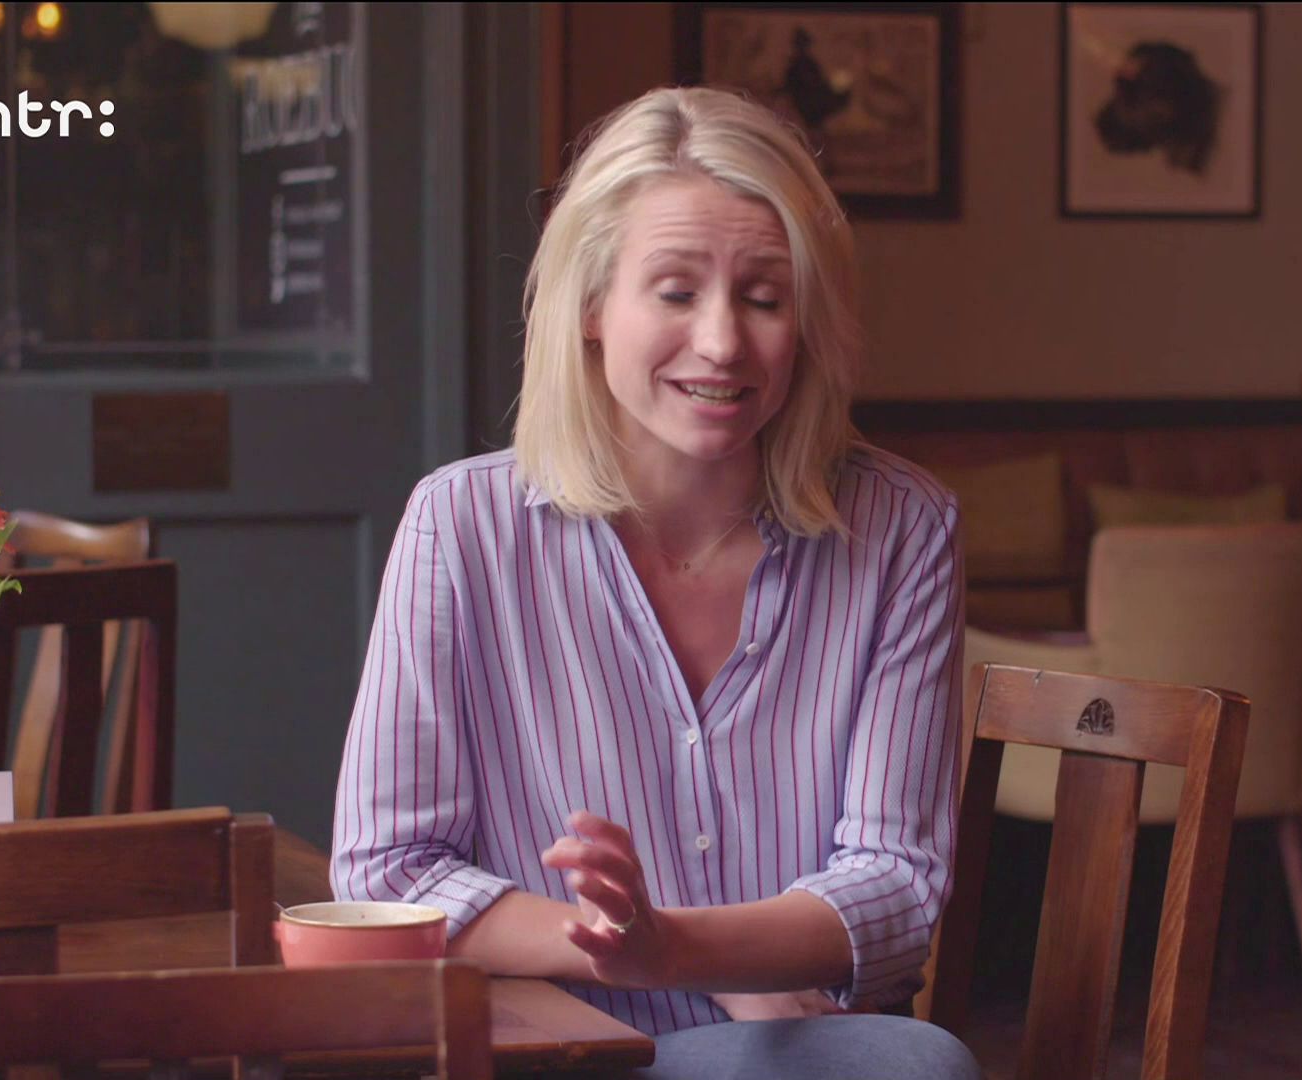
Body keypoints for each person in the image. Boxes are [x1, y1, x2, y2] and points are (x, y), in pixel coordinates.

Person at [331, 85, 977, 1080]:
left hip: (802, 1050)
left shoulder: (904, 527)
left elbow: (895, 892)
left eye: (764, 298)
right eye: (676, 292)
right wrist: (659, 955)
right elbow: (386, 876)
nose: (722, 342)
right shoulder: (459, 526)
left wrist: (677, 947)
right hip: (554, 1046)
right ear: (591, 307)